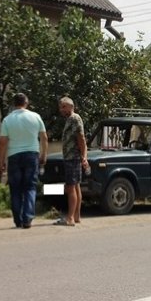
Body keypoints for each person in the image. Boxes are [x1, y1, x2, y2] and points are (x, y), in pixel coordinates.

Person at [0, 93, 48, 228]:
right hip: (32, 154)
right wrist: (44, 155)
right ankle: (28, 218)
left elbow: (2, 142)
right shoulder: (35, 117)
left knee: (15, 188)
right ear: (27, 103)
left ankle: (18, 219)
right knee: (30, 187)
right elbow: (44, 137)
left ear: (14, 104)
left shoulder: (7, 120)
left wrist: (1, 161)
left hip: (14, 155)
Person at [55, 97, 89, 227]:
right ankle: (77, 216)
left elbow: (81, 138)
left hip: (72, 158)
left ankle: (70, 218)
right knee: (76, 187)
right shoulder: (71, 119)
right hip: (72, 158)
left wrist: (84, 156)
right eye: (60, 107)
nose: (61, 110)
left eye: (63, 107)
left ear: (70, 106)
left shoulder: (74, 119)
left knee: (70, 188)